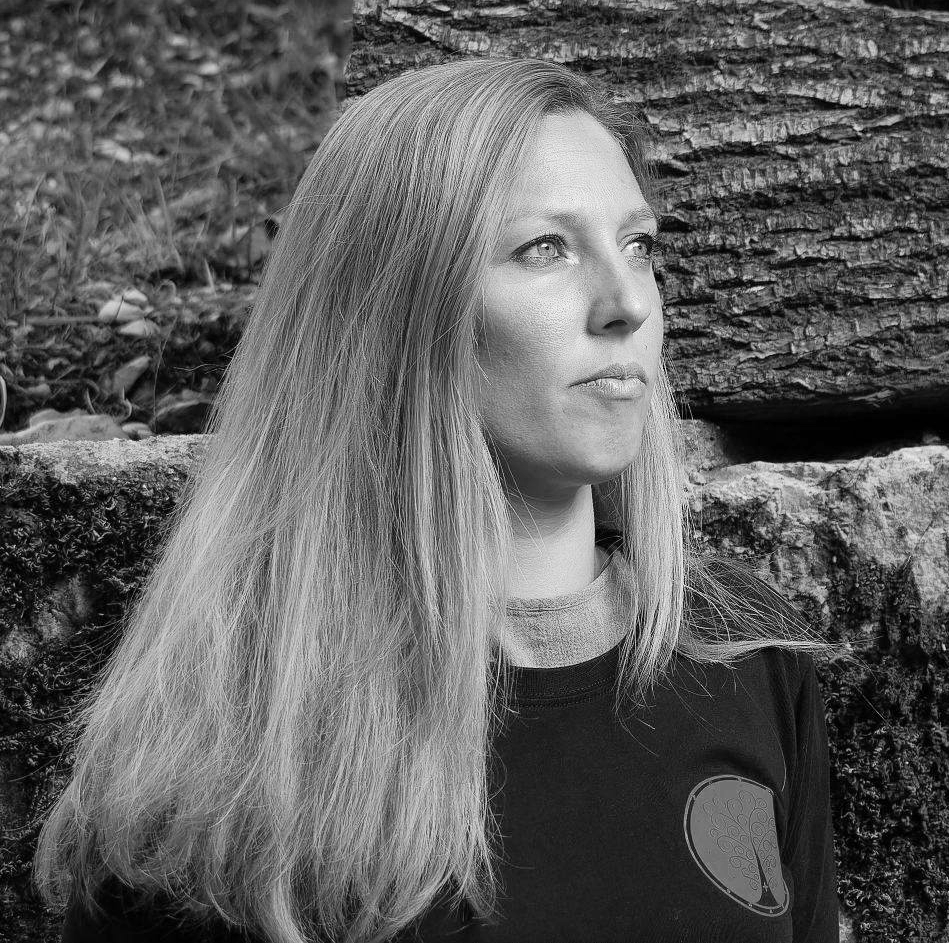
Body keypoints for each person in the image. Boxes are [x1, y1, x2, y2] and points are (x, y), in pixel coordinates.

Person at [36, 56, 861, 943]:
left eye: (638, 245)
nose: (626, 302)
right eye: (544, 248)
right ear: (394, 311)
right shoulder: (227, 748)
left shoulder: (745, 649)